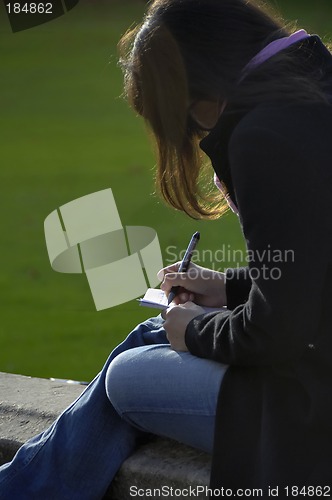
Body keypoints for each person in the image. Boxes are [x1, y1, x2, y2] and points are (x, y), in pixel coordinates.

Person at [1, 0, 332, 497]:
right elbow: (315, 266)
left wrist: (197, 330)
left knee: (126, 377)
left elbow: (277, 334)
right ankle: (23, 487)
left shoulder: (266, 135)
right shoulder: (313, 86)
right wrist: (228, 287)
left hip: (314, 407)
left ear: (190, 93)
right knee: (149, 335)